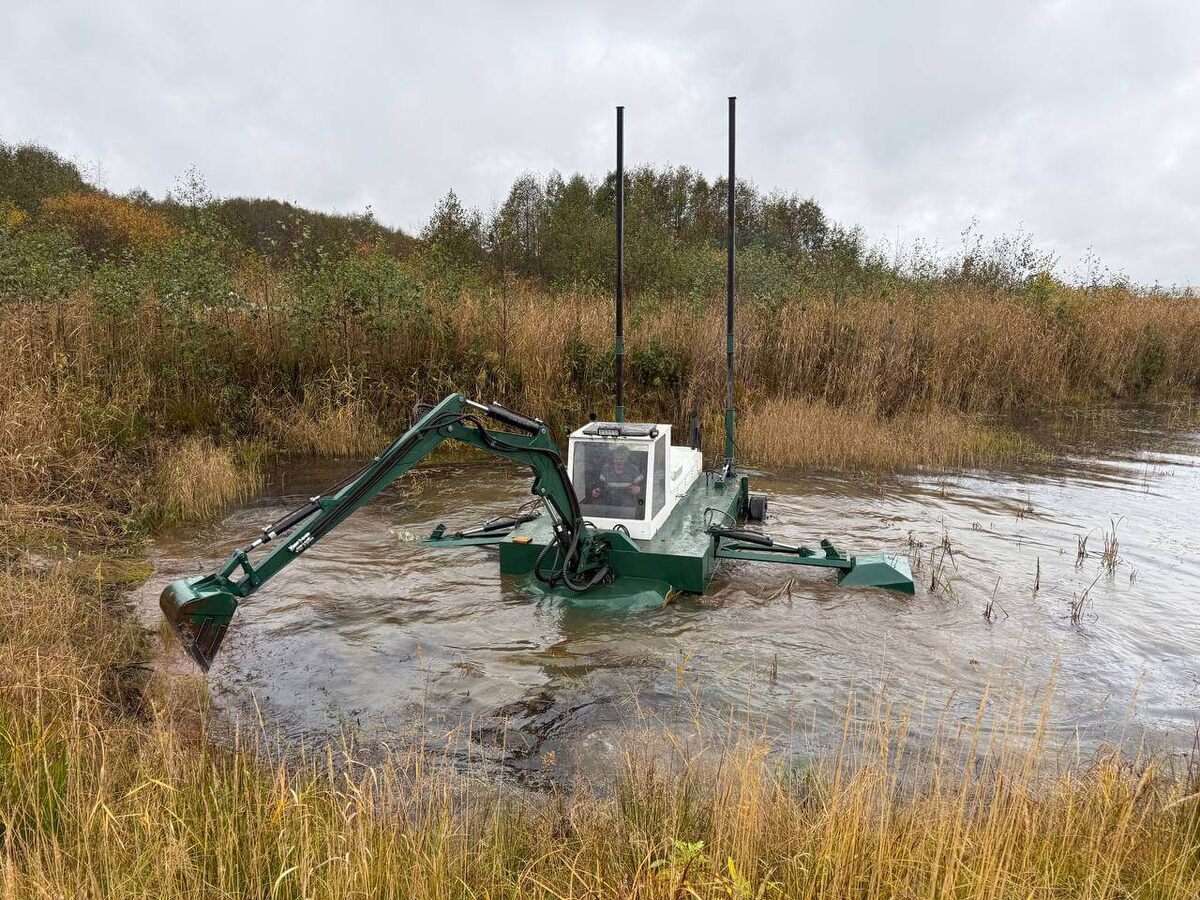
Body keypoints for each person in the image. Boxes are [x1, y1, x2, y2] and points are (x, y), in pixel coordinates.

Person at [589, 445, 645, 513]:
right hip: (608, 502)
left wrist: (639, 489)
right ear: (613, 459)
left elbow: (643, 487)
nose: (618, 462)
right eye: (616, 459)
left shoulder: (634, 470)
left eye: (621, 459)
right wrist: (596, 491)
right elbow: (599, 485)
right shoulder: (606, 469)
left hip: (628, 503)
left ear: (626, 459)